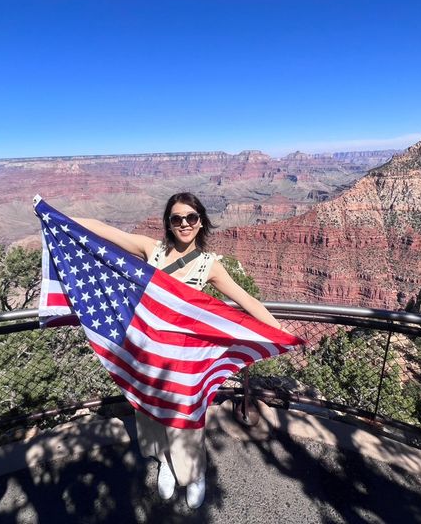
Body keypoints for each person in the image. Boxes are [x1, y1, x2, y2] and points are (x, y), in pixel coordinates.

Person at [73, 191, 281, 509]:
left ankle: (194, 474)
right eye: (177, 219)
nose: (184, 224)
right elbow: (105, 231)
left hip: (185, 359)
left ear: (201, 222)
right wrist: (55, 216)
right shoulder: (151, 249)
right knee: (151, 411)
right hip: (147, 353)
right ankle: (166, 463)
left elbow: (246, 300)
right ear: (169, 223)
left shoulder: (209, 265)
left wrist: (279, 331)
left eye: (191, 218)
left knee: (186, 417)